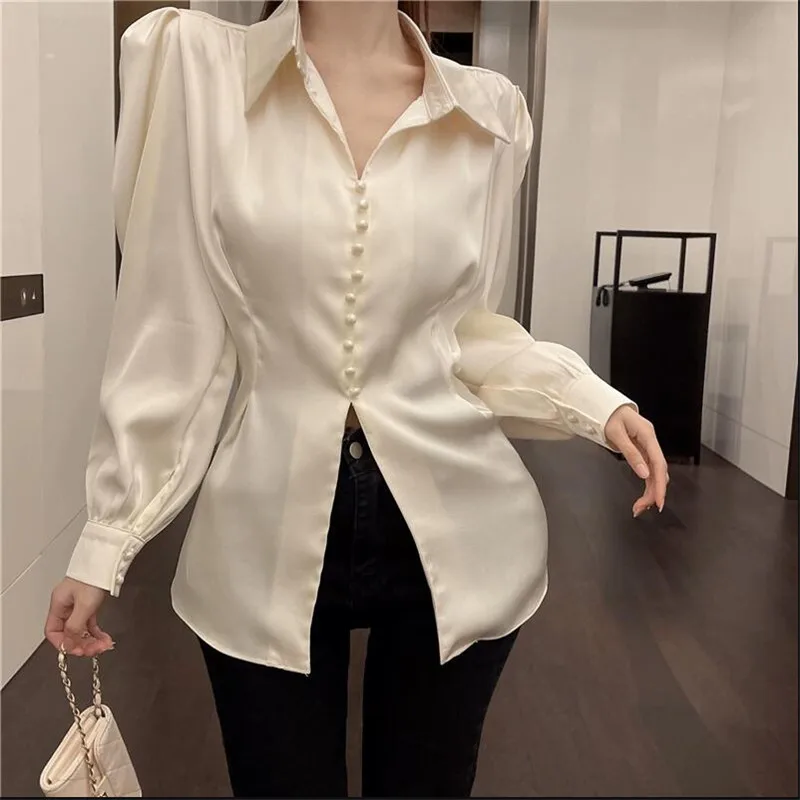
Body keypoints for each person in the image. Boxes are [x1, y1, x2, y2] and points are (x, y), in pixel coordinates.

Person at [44, 0, 668, 796]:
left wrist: (593, 401)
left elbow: (462, 334)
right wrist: (111, 534)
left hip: (459, 524)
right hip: (262, 530)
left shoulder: (489, 113)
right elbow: (168, 320)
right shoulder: (199, 69)